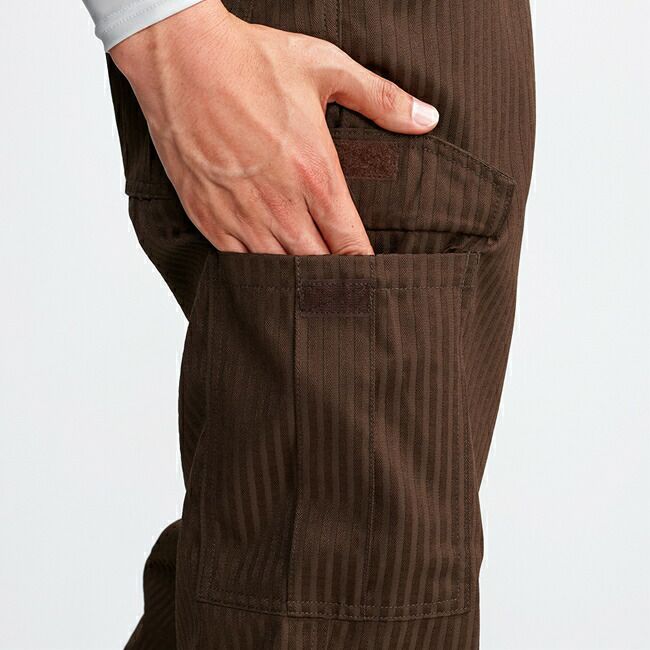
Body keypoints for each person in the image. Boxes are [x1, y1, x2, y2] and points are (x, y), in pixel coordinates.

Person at [83, 0, 535, 647]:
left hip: (415, 62)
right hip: (350, 57)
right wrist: (168, 27)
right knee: (339, 603)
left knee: (295, 590)